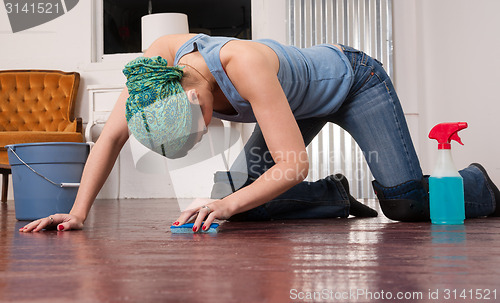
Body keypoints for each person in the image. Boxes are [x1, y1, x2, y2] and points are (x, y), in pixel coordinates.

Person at [20, 33, 499, 233]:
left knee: (406, 206)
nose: (208, 130)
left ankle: (481, 184)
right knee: (226, 199)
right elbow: (110, 138)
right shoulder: (154, 75)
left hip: (354, 83)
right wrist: (79, 213)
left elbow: (293, 164)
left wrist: (231, 203)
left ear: (194, 97)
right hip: (293, 102)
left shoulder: (242, 64)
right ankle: (334, 196)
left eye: (203, 122)